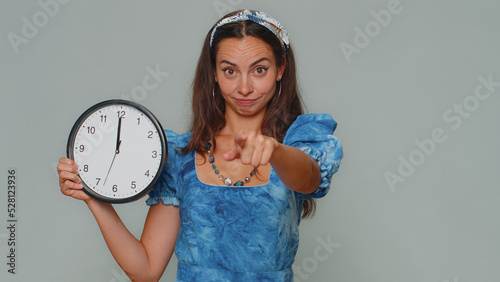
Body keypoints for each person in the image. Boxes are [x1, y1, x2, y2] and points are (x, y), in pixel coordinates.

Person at [58, 9, 343, 281]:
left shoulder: (298, 143)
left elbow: (308, 178)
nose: (244, 87)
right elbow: (145, 271)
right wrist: (94, 197)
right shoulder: (180, 157)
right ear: (214, 74)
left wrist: (275, 150)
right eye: (230, 71)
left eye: (259, 70)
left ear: (280, 68)